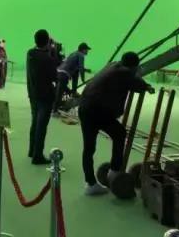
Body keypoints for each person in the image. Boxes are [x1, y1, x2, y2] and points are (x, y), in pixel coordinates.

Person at [78, 51, 154, 196]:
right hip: (97, 111)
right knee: (120, 134)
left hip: (85, 107)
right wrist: (147, 87)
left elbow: (132, 78)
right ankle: (114, 171)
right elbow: (137, 83)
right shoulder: (125, 73)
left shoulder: (113, 66)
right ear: (134, 67)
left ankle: (90, 183)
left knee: (89, 148)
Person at [27, 29, 58, 165]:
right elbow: (54, 76)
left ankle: (32, 150)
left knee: (35, 123)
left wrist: (48, 49)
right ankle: (38, 155)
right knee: (41, 126)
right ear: (47, 42)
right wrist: (53, 52)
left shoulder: (30, 53)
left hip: (33, 94)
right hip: (45, 96)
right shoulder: (48, 58)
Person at [53, 43, 91, 113]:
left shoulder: (73, 53)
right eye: (87, 50)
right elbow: (81, 68)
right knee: (59, 93)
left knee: (62, 91)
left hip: (58, 72)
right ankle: (54, 111)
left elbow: (71, 64)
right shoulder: (81, 55)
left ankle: (62, 103)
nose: (87, 51)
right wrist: (83, 80)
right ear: (83, 50)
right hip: (64, 74)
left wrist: (86, 70)